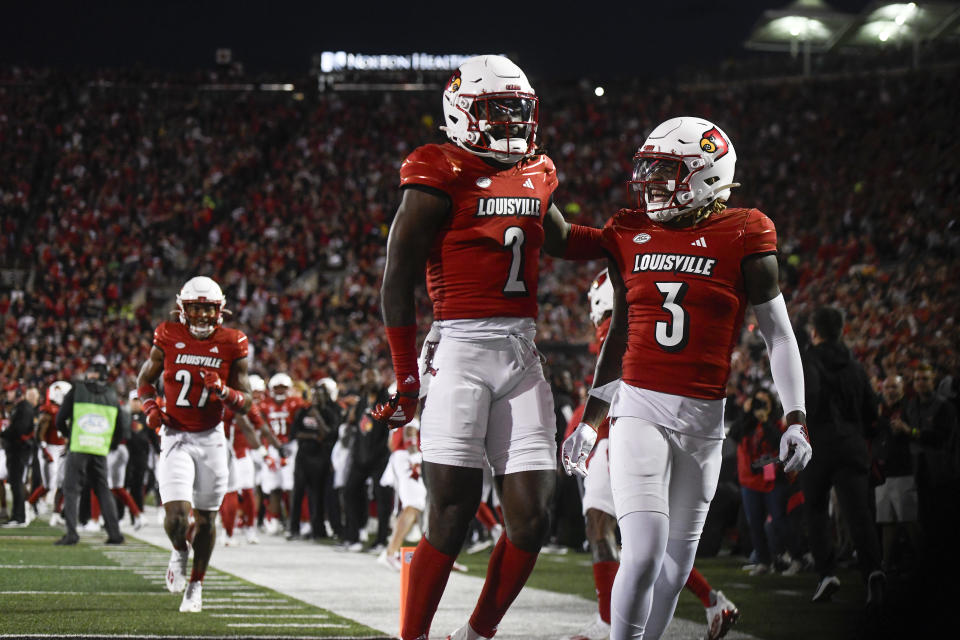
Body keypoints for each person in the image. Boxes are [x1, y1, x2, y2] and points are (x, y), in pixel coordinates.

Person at [375, 54, 604, 640]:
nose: (510, 121)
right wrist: (405, 375)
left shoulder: (535, 171)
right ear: (461, 111)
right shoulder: (436, 170)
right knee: (448, 517)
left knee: (533, 519)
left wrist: (622, 240)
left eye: (517, 110)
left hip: (521, 354)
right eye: (497, 110)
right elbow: (396, 280)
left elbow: (559, 239)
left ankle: (478, 634)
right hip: (458, 350)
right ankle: (415, 636)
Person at [562, 117, 811, 640]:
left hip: (705, 420)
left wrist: (796, 418)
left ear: (708, 174)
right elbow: (619, 334)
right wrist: (592, 420)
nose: (652, 183)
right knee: (646, 548)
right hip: (638, 408)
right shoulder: (629, 230)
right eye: (649, 171)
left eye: (667, 171)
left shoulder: (745, 231)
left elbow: (780, 336)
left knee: (676, 566)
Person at [566, 269, 739, 640]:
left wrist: (586, 425)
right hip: (647, 432)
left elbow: (615, 385)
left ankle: (611, 622)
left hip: (622, 436)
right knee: (638, 538)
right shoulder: (647, 316)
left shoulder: (616, 325)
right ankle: (709, 600)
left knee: (619, 532)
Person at [136, 276, 257, 613]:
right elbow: (145, 381)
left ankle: (196, 585)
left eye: (208, 309)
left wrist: (223, 391)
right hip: (175, 436)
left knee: (205, 520)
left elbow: (247, 401)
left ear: (219, 310)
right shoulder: (167, 335)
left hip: (211, 438)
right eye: (195, 308)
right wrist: (150, 408)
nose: (202, 315)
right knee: (175, 518)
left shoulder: (234, 342)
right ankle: (179, 550)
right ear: (182, 309)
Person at [799, 306, 883, 610]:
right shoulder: (856, 366)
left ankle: (826, 573)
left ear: (814, 331)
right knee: (859, 513)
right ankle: (873, 569)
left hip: (819, 444)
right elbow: (872, 413)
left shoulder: (808, 360)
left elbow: (808, 401)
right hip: (851, 443)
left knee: (817, 510)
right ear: (842, 330)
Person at [54, 355, 127, 545]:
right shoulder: (112, 395)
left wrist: (68, 435)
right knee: (103, 490)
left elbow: (59, 419)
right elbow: (122, 426)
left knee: (71, 490)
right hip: (100, 449)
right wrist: (111, 444)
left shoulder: (77, 389)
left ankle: (71, 534)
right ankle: (115, 534)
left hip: (79, 446)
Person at [728, 388, 800, 576]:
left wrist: (765, 420)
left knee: (779, 519)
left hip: (773, 479)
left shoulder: (776, 423)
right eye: (756, 402)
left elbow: (779, 442)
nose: (760, 406)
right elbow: (733, 434)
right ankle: (763, 561)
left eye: (764, 403)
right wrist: (746, 412)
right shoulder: (746, 423)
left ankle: (798, 557)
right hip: (750, 481)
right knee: (755, 523)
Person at [872, 374, 922, 577]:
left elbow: (920, 432)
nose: (890, 391)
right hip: (884, 474)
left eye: (894, 387)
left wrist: (908, 429)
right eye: (887, 387)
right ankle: (886, 562)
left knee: (909, 520)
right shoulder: (881, 411)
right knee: (887, 521)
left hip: (904, 471)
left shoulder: (909, 408)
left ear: (902, 389)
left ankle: (924, 560)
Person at [287, 382, 336, 541]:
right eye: (313, 395)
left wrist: (318, 419)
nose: (315, 398)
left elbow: (329, 434)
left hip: (319, 458)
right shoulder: (302, 412)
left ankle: (317, 530)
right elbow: (294, 433)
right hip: (302, 457)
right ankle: (293, 529)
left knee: (317, 495)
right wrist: (314, 436)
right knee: (297, 494)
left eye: (319, 395)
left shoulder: (329, 413)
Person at [28, 381, 71, 523]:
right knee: (49, 485)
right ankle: (28, 505)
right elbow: (39, 433)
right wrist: (45, 450)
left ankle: (56, 514)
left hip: (61, 448)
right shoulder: (49, 410)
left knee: (62, 483)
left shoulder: (64, 410)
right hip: (50, 448)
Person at [1, 384, 40, 527]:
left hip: (19, 451)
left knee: (17, 483)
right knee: (15, 483)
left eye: (11, 391)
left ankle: (19, 517)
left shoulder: (23, 408)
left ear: (18, 392)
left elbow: (19, 430)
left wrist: (3, 433)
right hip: (16, 450)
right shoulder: (20, 407)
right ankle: (17, 516)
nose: (8, 394)